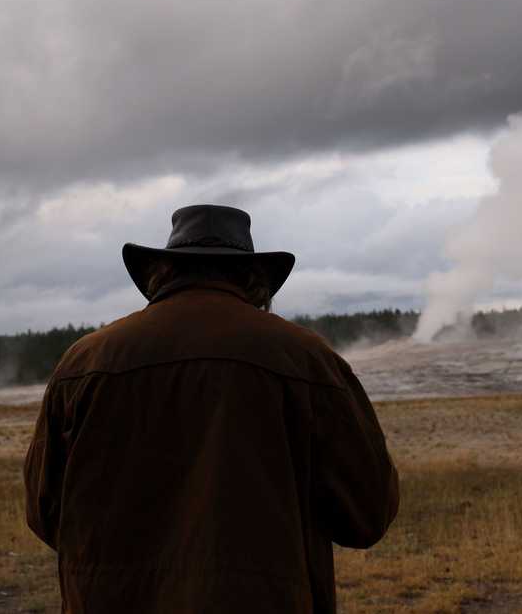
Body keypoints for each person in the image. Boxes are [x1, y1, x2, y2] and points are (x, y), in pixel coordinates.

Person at [23, 204, 399, 613]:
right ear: (256, 280)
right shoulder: (306, 359)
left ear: (160, 273)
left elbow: (46, 514)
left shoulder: (85, 362)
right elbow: (367, 514)